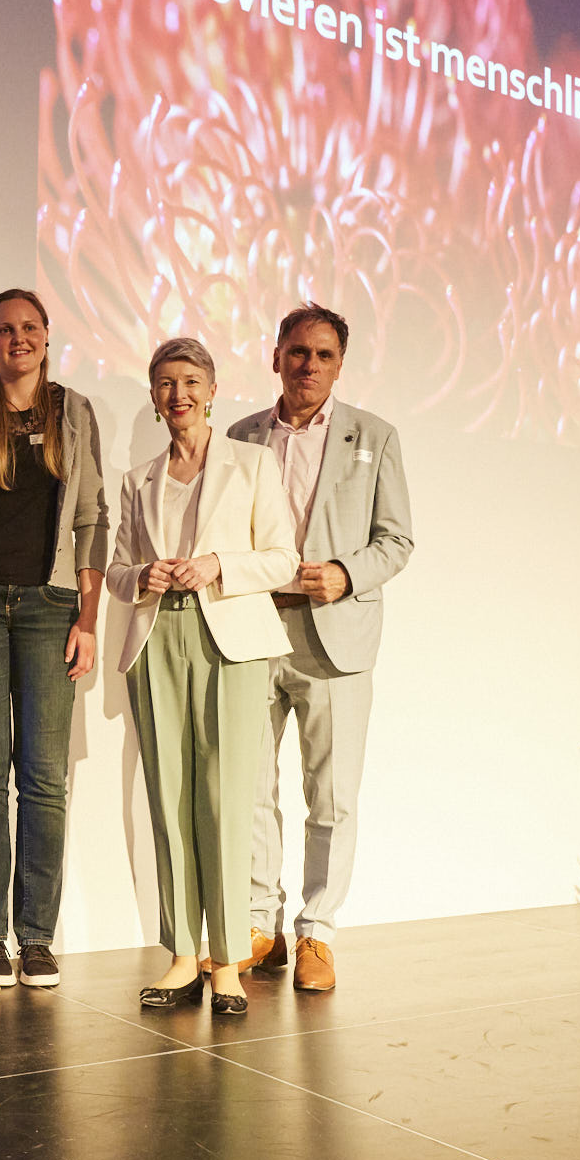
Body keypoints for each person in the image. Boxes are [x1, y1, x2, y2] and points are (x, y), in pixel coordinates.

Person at [107, 337, 297, 1016]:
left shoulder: (252, 463)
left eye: (190, 381)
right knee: (169, 797)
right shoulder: (139, 479)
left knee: (225, 799)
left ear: (212, 391)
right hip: (157, 636)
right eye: (165, 382)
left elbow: (283, 559)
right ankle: (183, 953)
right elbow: (116, 571)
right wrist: (143, 575)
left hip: (231, 641)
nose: (178, 393)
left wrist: (218, 565)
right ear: (154, 395)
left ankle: (227, 959)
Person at [228, 304, 414, 991]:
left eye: (324, 355)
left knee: (330, 795)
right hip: (252, 630)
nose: (309, 365)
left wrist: (344, 573)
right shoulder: (240, 436)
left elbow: (396, 539)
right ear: (275, 355)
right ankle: (260, 925)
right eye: (298, 351)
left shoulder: (375, 436)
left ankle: (317, 932)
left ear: (340, 365)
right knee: (250, 788)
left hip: (334, 636)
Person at [0, 289, 107, 988]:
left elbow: (92, 518)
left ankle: (36, 937)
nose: (18, 339)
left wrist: (88, 619)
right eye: (5, 329)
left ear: (46, 335)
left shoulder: (76, 411)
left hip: (51, 606)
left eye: (30, 327)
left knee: (43, 779)